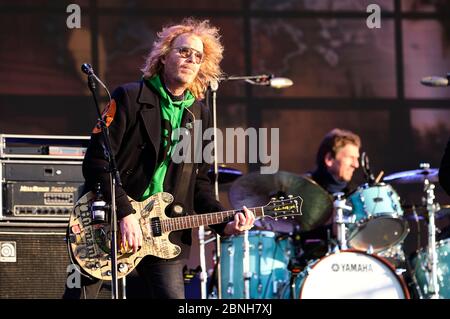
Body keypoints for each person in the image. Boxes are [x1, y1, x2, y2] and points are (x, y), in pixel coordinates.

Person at [63, 18, 255, 299]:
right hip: (108, 224)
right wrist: (124, 213)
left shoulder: (199, 115)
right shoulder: (129, 97)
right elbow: (96, 163)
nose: (191, 59)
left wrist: (224, 224)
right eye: (183, 51)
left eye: (198, 56)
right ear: (164, 57)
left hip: (163, 232)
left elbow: (199, 184)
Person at [299, 128, 361, 261]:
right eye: (351, 158)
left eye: (357, 158)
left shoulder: (355, 193)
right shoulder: (302, 189)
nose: (356, 164)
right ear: (329, 159)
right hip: (310, 264)